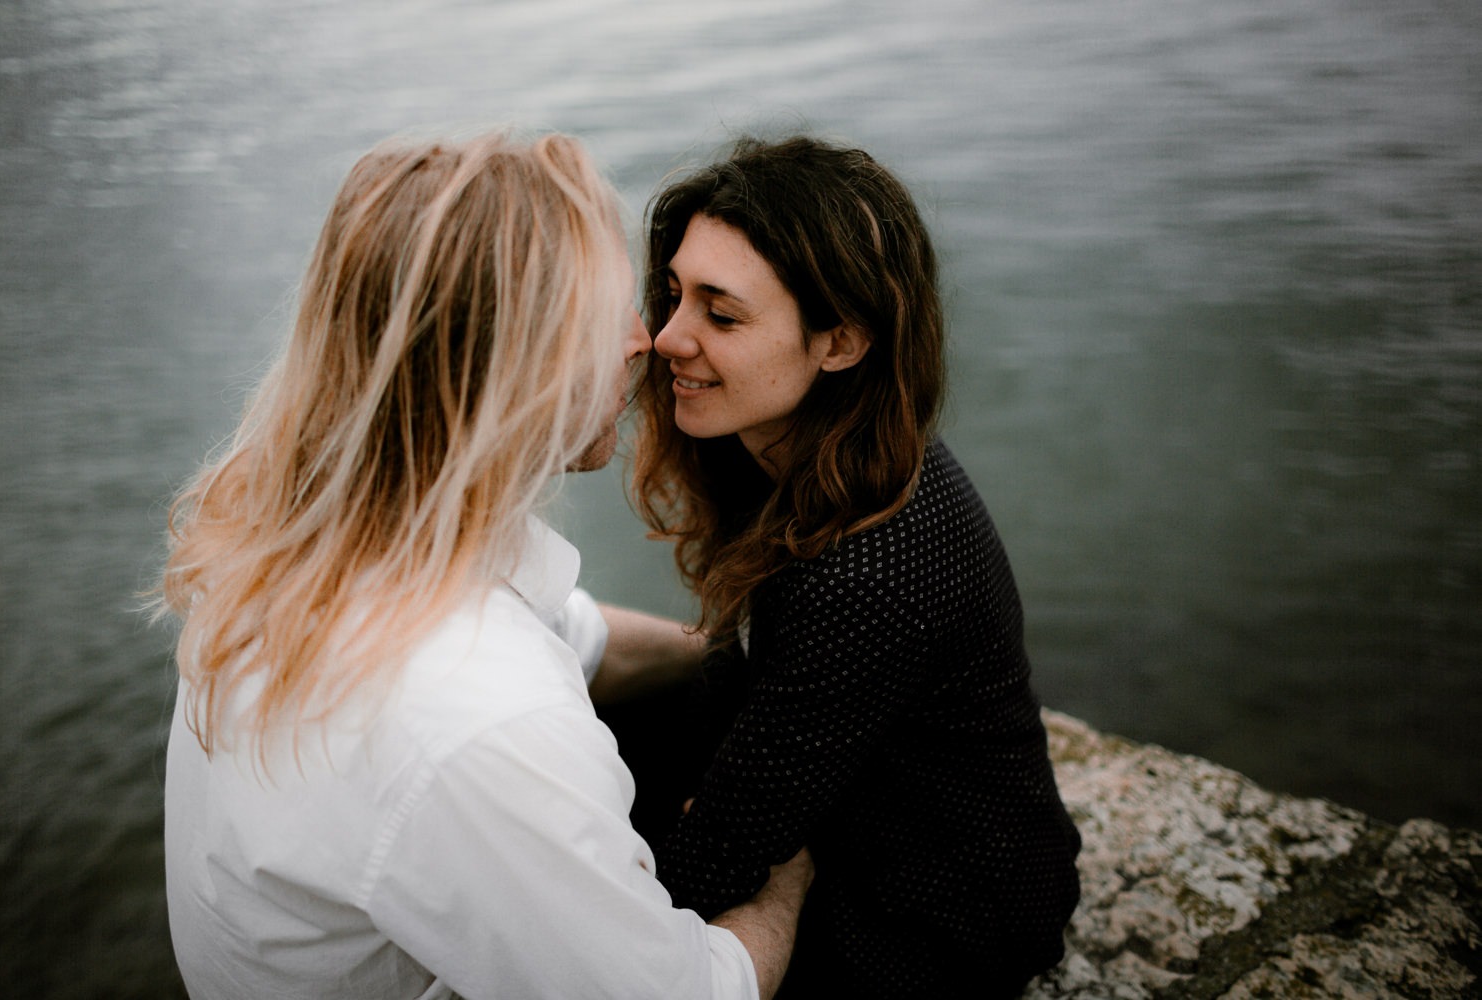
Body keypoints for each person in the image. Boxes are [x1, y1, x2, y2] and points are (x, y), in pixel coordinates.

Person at [154, 130, 812, 1000]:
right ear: (516, 367)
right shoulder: (478, 714)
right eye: (612, 312)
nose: (644, 341)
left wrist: (747, 660)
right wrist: (790, 873)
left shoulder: (305, 533)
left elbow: (578, 636)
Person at [614, 135, 1082, 998]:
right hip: (864, 819)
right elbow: (743, 681)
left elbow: (732, 840)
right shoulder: (824, 456)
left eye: (721, 314)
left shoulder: (865, 571)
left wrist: (589, 934)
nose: (666, 337)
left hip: (933, 915)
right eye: (674, 295)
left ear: (840, 343)